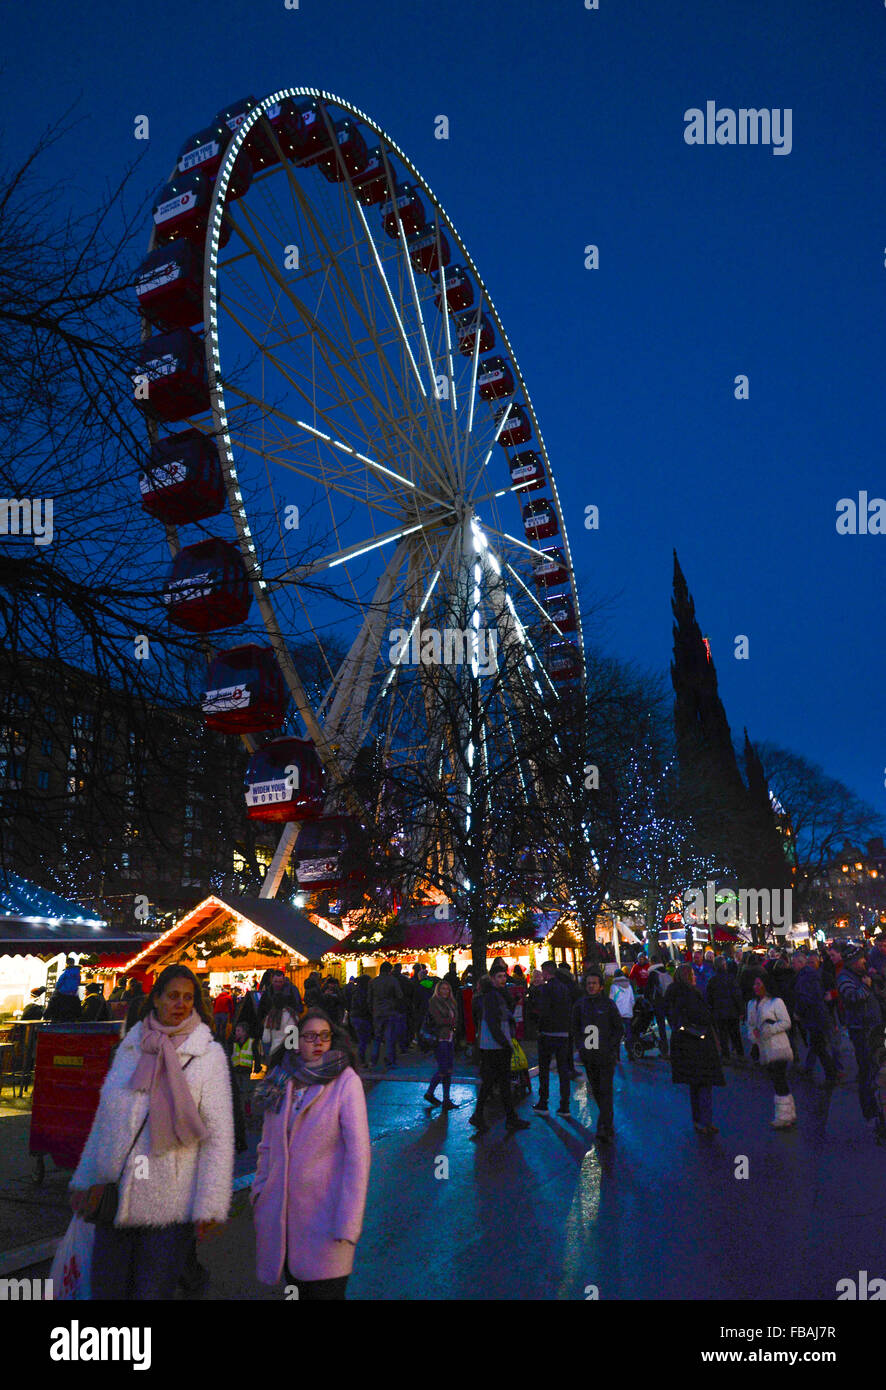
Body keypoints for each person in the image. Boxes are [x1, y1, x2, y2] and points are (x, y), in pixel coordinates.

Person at [68, 964, 234, 1300]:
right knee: (106, 1291)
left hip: (169, 1205)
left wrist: (211, 1204)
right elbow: (104, 1120)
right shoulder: (131, 1047)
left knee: (151, 1293)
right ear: (156, 999)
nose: (181, 1004)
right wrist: (85, 1180)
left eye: (188, 998)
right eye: (173, 996)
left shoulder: (208, 1055)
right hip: (114, 1198)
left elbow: (218, 1137)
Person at [251, 1007, 370, 1300]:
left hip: (328, 1220)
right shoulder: (282, 1081)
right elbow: (267, 1145)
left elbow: (358, 1155)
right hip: (285, 1221)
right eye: (310, 1036)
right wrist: (259, 1191)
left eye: (325, 1036)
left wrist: (349, 1220)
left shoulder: (345, 1082)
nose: (318, 1043)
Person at [469, 967, 530, 1134]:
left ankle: (498, 1116)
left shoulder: (496, 994)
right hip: (495, 1045)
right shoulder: (491, 995)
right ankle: (503, 1117)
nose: (503, 979)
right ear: (492, 978)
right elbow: (492, 1022)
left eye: (504, 976)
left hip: (494, 1044)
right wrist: (504, 1042)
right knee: (497, 1081)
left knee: (498, 1081)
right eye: (499, 977)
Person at [666, 963, 724, 1135]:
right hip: (698, 1043)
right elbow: (701, 1016)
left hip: (685, 1044)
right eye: (692, 974)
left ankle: (699, 1120)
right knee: (704, 1082)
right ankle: (705, 1120)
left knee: (695, 1084)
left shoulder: (674, 994)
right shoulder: (690, 995)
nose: (695, 977)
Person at [573, 968, 623, 1141]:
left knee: (605, 1090)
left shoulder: (608, 1005)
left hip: (605, 1055)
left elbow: (618, 1028)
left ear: (601, 986)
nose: (591, 986)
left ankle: (605, 1126)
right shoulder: (580, 1005)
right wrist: (581, 1047)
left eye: (594, 983)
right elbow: (576, 1028)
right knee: (597, 1090)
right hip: (589, 1056)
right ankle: (605, 1123)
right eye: (588, 984)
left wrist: (610, 1047)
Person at [837, 946, 882, 1134]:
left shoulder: (859, 974)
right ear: (853, 962)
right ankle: (870, 1113)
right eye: (862, 959)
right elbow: (854, 998)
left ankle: (877, 1109)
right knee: (867, 1071)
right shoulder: (844, 978)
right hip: (862, 1030)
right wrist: (866, 985)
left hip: (873, 1028)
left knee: (876, 1068)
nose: (865, 961)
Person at [747, 975, 796, 1129]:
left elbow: (786, 1022)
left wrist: (770, 1029)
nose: (755, 987)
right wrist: (753, 1034)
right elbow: (750, 1024)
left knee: (779, 1079)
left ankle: (783, 1115)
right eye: (754, 984)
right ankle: (787, 1113)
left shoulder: (776, 1002)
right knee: (777, 1081)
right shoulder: (751, 1004)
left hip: (778, 1046)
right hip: (764, 1048)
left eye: (758, 984)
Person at [533, 960, 573, 1114]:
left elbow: (543, 1011)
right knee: (563, 1070)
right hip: (563, 1033)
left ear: (546, 972)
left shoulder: (546, 989)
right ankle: (565, 1105)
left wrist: (540, 1028)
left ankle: (543, 1102)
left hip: (548, 1034)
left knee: (544, 1069)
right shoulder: (564, 987)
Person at [794, 953, 839, 1084]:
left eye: (795, 962)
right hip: (817, 1016)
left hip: (815, 1017)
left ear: (801, 963)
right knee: (817, 1045)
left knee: (820, 1047)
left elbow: (805, 997)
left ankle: (831, 1074)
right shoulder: (808, 975)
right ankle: (819, 1071)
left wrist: (798, 1012)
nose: (793, 965)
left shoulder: (805, 977)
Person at [424, 979, 459, 1110]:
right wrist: (450, 1021)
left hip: (449, 1037)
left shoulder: (451, 1003)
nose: (445, 991)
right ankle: (430, 1092)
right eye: (443, 989)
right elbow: (438, 1020)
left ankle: (446, 1098)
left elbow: (455, 1019)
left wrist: (451, 1023)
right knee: (443, 1068)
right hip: (440, 1038)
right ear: (438, 990)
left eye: (447, 989)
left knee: (448, 1069)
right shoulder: (433, 1003)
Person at [705, 958, 744, 1061]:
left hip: (719, 1012)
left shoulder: (712, 980)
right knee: (735, 1033)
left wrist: (712, 1009)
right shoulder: (731, 978)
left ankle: (725, 1055)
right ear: (724, 966)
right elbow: (737, 995)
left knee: (723, 1035)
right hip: (732, 1011)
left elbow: (709, 998)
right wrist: (741, 1010)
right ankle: (740, 1053)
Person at [369, 962, 404, 1068]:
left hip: (377, 1011)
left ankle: (373, 1060)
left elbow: (369, 998)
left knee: (377, 1037)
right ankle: (389, 1061)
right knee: (389, 1038)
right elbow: (400, 995)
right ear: (389, 970)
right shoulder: (393, 981)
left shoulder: (373, 981)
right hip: (390, 1011)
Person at [347, 972, 373, 1065]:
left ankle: (360, 1059)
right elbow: (363, 1005)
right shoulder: (363, 992)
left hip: (355, 1016)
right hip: (362, 1017)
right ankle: (360, 1060)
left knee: (361, 1039)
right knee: (363, 1040)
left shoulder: (356, 990)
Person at [608, 969, 635, 1058]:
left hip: (617, 1013)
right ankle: (630, 1050)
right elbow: (632, 1000)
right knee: (628, 1032)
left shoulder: (614, 986)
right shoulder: (629, 986)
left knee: (617, 1033)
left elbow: (611, 1000)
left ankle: (617, 1054)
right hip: (627, 1012)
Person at [231, 1022, 257, 1113]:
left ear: (244, 1033)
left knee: (246, 1091)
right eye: (236, 1031)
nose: (236, 1033)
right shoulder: (234, 1043)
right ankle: (239, 1109)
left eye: (238, 1031)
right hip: (236, 1070)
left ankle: (247, 1107)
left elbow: (256, 1055)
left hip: (246, 1070)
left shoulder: (251, 1043)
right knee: (237, 1091)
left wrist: (257, 1068)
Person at [647, 962, 671, 1057]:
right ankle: (677, 1047)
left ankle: (664, 1051)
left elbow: (649, 990)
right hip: (668, 1002)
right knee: (673, 1024)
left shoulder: (653, 974)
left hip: (658, 1003)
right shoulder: (666, 972)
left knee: (661, 1028)